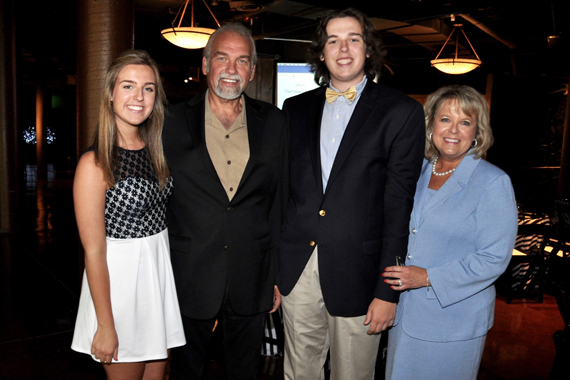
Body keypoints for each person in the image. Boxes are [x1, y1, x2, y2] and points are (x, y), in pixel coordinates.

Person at [278, 8, 425, 380]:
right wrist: (274, 271)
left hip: (360, 276)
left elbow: (398, 209)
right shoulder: (294, 109)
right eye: (333, 40)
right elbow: (282, 195)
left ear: (368, 49)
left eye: (353, 39)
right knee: (298, 372)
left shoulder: (402, 112)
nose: (343, 48)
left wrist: (388, 291)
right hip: (298, 271)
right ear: (321, 52)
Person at [162, 23, 288, 380]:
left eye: (242, 61)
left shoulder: (276, 123)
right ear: (205, 65)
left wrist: (277, 274)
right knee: (187, 370)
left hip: (253, 272)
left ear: (251, 70)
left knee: (245, 370)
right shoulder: (169, 122)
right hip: (189, 272)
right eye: (222, 58)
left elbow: (279, 201)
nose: (232, 70)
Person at [383, 85, 518, 380]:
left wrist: (427, 277)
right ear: (431, 125)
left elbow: (494, 258)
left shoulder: (493, 182)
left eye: (465, 122)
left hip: (454, 321)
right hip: (404, 316)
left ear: (477, 131)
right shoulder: (414, 171)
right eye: (445, 119)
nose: (453, 130)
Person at [71, 50, 186, 380]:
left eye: (148, 88)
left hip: (156, 280)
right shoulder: (94, 165)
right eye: (128, 86)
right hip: (120, 290)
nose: (139, 97)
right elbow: (93, 251)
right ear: (110, 93)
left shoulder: (156, 151)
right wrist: (106, 325)